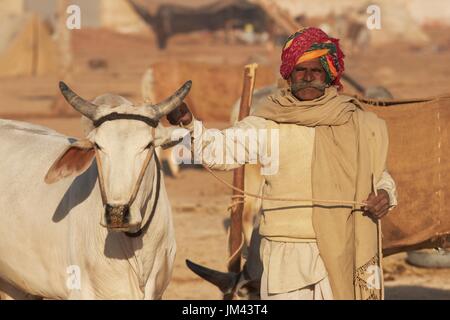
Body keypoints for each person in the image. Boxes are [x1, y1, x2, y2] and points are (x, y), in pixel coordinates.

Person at [167, 27, 397, 300]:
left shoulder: (355, 122)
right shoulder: (270, 124)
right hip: (284, 258)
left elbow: (378, 175)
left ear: (329, 75)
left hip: (340, 253)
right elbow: (216, 151)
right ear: (289, 75)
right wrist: (189, 124)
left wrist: (386, 194)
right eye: (300, 70)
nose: (308, 77)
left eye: (316, 70)